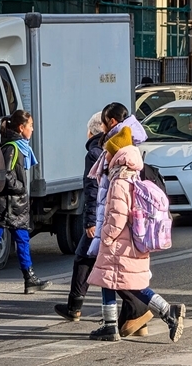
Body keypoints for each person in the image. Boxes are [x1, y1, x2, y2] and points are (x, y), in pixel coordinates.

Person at [86, 127, 185, 342]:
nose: (107, 156)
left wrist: (106, 236)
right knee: (112, 281)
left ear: (117, 154)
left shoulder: (119, 181)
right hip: (131, 241)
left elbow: (117, 215)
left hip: (119, 242)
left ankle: (167, 311)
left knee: (127, 284)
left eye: (109, 152)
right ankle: (111, 325)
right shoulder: (132, 176)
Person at [86, 103, 155, 337]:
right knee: (116, 278)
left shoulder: (120, 169)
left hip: (118, 232)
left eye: (104, 123)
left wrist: (105, 234)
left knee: (117, 278)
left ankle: (167, 312)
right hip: (129, 229)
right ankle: (126, 323)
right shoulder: (130, 144)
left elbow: (115, 207)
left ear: (112, 122)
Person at [0, 110, 52, 294]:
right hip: (6, 205)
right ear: (21, 128)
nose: (32, 129)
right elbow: (4, 175)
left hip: (16, 205)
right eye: (30, 126)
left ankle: (29, 279)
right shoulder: (12, 148)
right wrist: (20, 187)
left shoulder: (20, 147)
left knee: (22, 241)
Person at [54, 112, 104, 321]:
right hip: (111, 214)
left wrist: (90, 220)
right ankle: (75, 306)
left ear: (90, 132)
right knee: (88, 259)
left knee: (84, 258)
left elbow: (92, 189)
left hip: (101, 216)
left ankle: (75, 306)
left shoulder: (94, 153)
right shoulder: (112, 149)